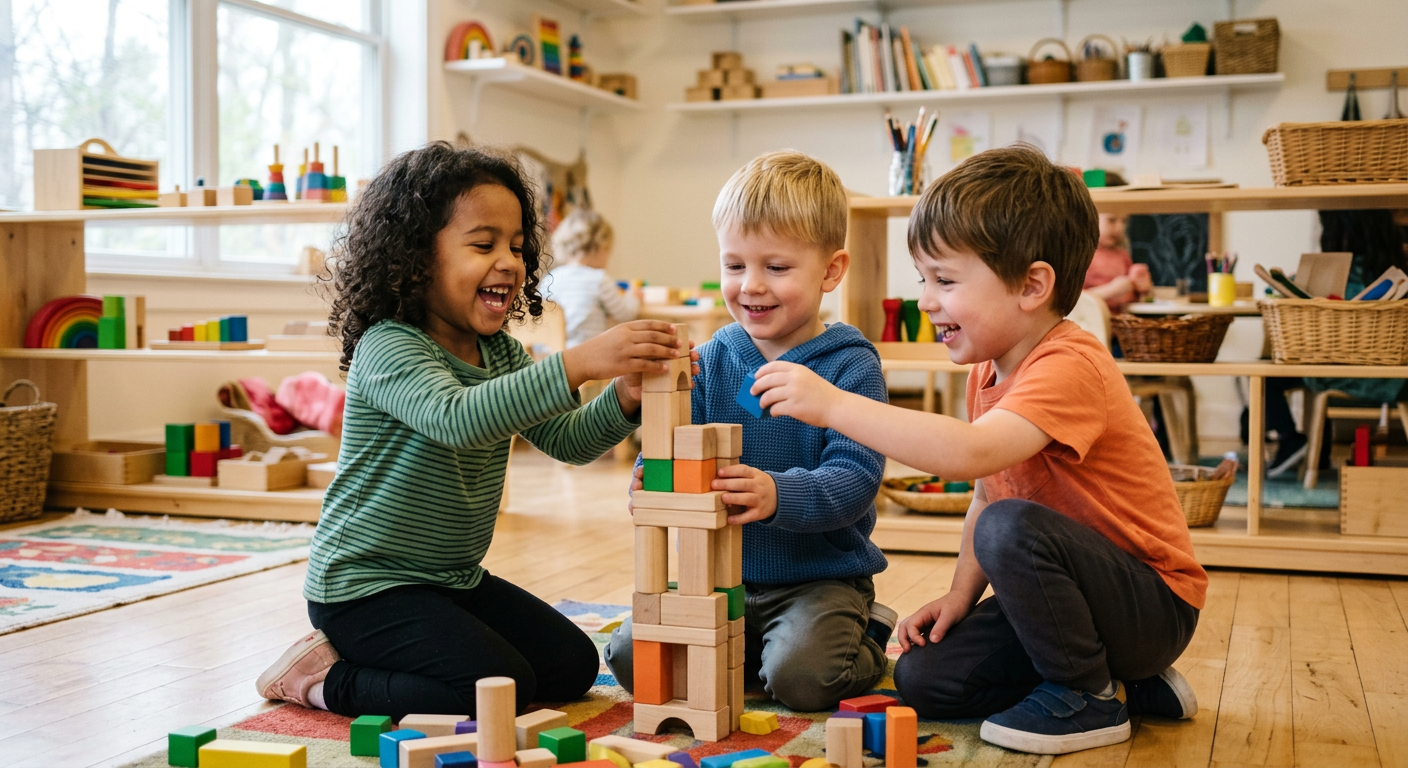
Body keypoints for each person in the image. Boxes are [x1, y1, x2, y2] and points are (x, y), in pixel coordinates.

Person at [750, 145, 1205, 754]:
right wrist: (960, 598)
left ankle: (1089, 698)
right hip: (1069, 605)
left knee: (1009, 528)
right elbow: (992, 487)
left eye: (945, 280)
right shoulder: (988, 371)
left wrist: (833, 404)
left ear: (1032, 286)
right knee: (925, 677)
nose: (926, 300)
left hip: (1152, 606)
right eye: (924, 280)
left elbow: (971, 458)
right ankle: (1126, 683)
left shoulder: (1071, 364)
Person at [254, 142, 695, 720]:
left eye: (516, 245)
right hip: (364, 589)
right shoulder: (388, 345)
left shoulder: (499, 351)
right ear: (415, 258)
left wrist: (624, 396)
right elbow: (457, 418)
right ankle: (322, 677)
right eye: (483, 244)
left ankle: (411, 653)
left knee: (571, 667)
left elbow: (568, 441)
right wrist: (581, 361)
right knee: (496, 691)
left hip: (452, 579)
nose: (509, 261)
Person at [602, 150, 895, 711]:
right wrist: (649, 477)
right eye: (734, 266)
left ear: (831, 271)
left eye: (776, 268)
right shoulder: (712, 360)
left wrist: (777, 492)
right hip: (712, 580)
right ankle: (749, 654)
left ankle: (869, 635)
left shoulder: (849, 366)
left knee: (803, 681)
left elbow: (856, 478)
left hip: (815, 581)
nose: (751, 286)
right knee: (630, 661)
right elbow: (674, 448)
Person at [544, 208, 639, 349]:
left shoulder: (551, 278)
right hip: (586, 358)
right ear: (601, 247)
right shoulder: (599, 279)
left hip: (548, 355)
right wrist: (634, 296)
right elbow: (625, 315)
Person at [1083, 213, 1152, 312]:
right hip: (1094, 321)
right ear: (1090, 220)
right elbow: (1077, 301)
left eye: (1124, 221)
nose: (1120, 228)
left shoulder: (1122, 255)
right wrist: (1111, 290)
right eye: (1111, 220)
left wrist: (1143, 289)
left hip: (1123, 321)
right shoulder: (1083, 256)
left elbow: (1139, 296)